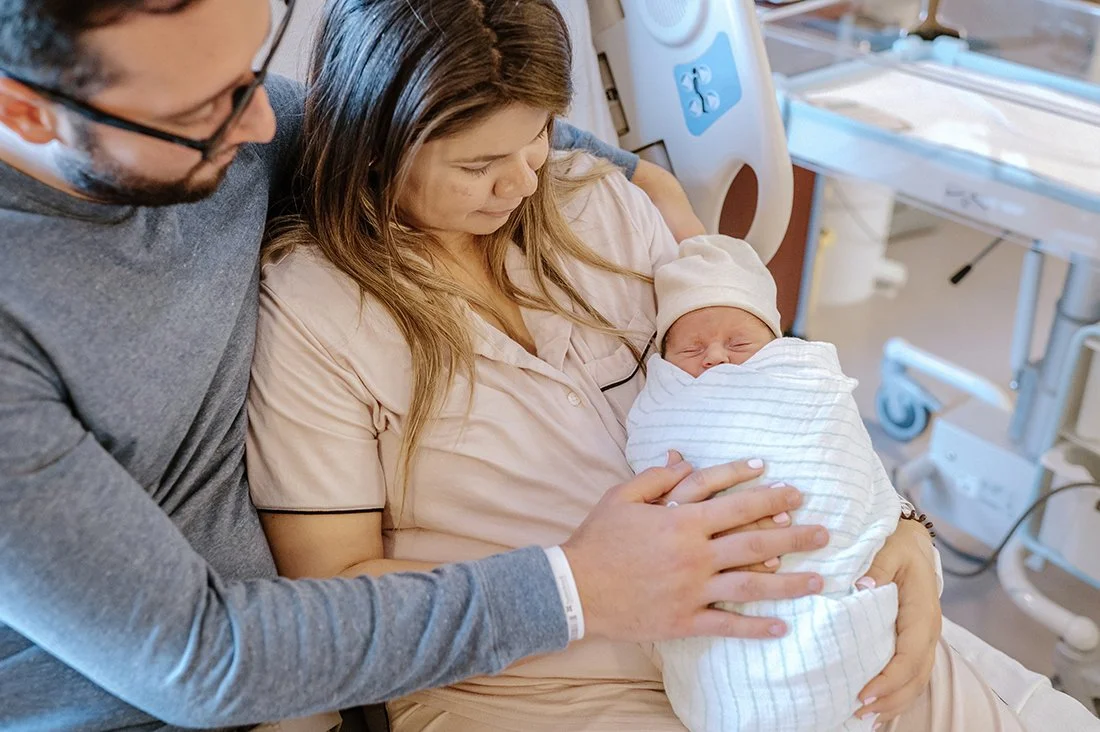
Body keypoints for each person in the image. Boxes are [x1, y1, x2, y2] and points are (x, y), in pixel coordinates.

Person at [0, 1, 823, 729]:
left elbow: (446, 117)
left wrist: (665, 204)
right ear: (26, 111)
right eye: (207, 105)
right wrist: (578, 586)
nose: (265, 124)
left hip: (346, 660)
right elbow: (202, 665)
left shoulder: (216, 131)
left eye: (251, 68)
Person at [246, 1, 950, 729]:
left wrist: (893, 527)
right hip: (543, 691)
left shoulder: (599, 201)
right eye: (478, 164)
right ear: (372, 144)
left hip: (793, 625)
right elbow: (332, 592)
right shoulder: (314, 310)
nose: (521, 183)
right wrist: (579, 586)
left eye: (537, 137)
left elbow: (762, 401)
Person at [627, 235, 1025, 731]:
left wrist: (909, 529)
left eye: (739, 344)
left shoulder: (801, 386)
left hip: (841, 590)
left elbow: (843, 461)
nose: (716, 359)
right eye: (690, 349)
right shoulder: (665, 409)